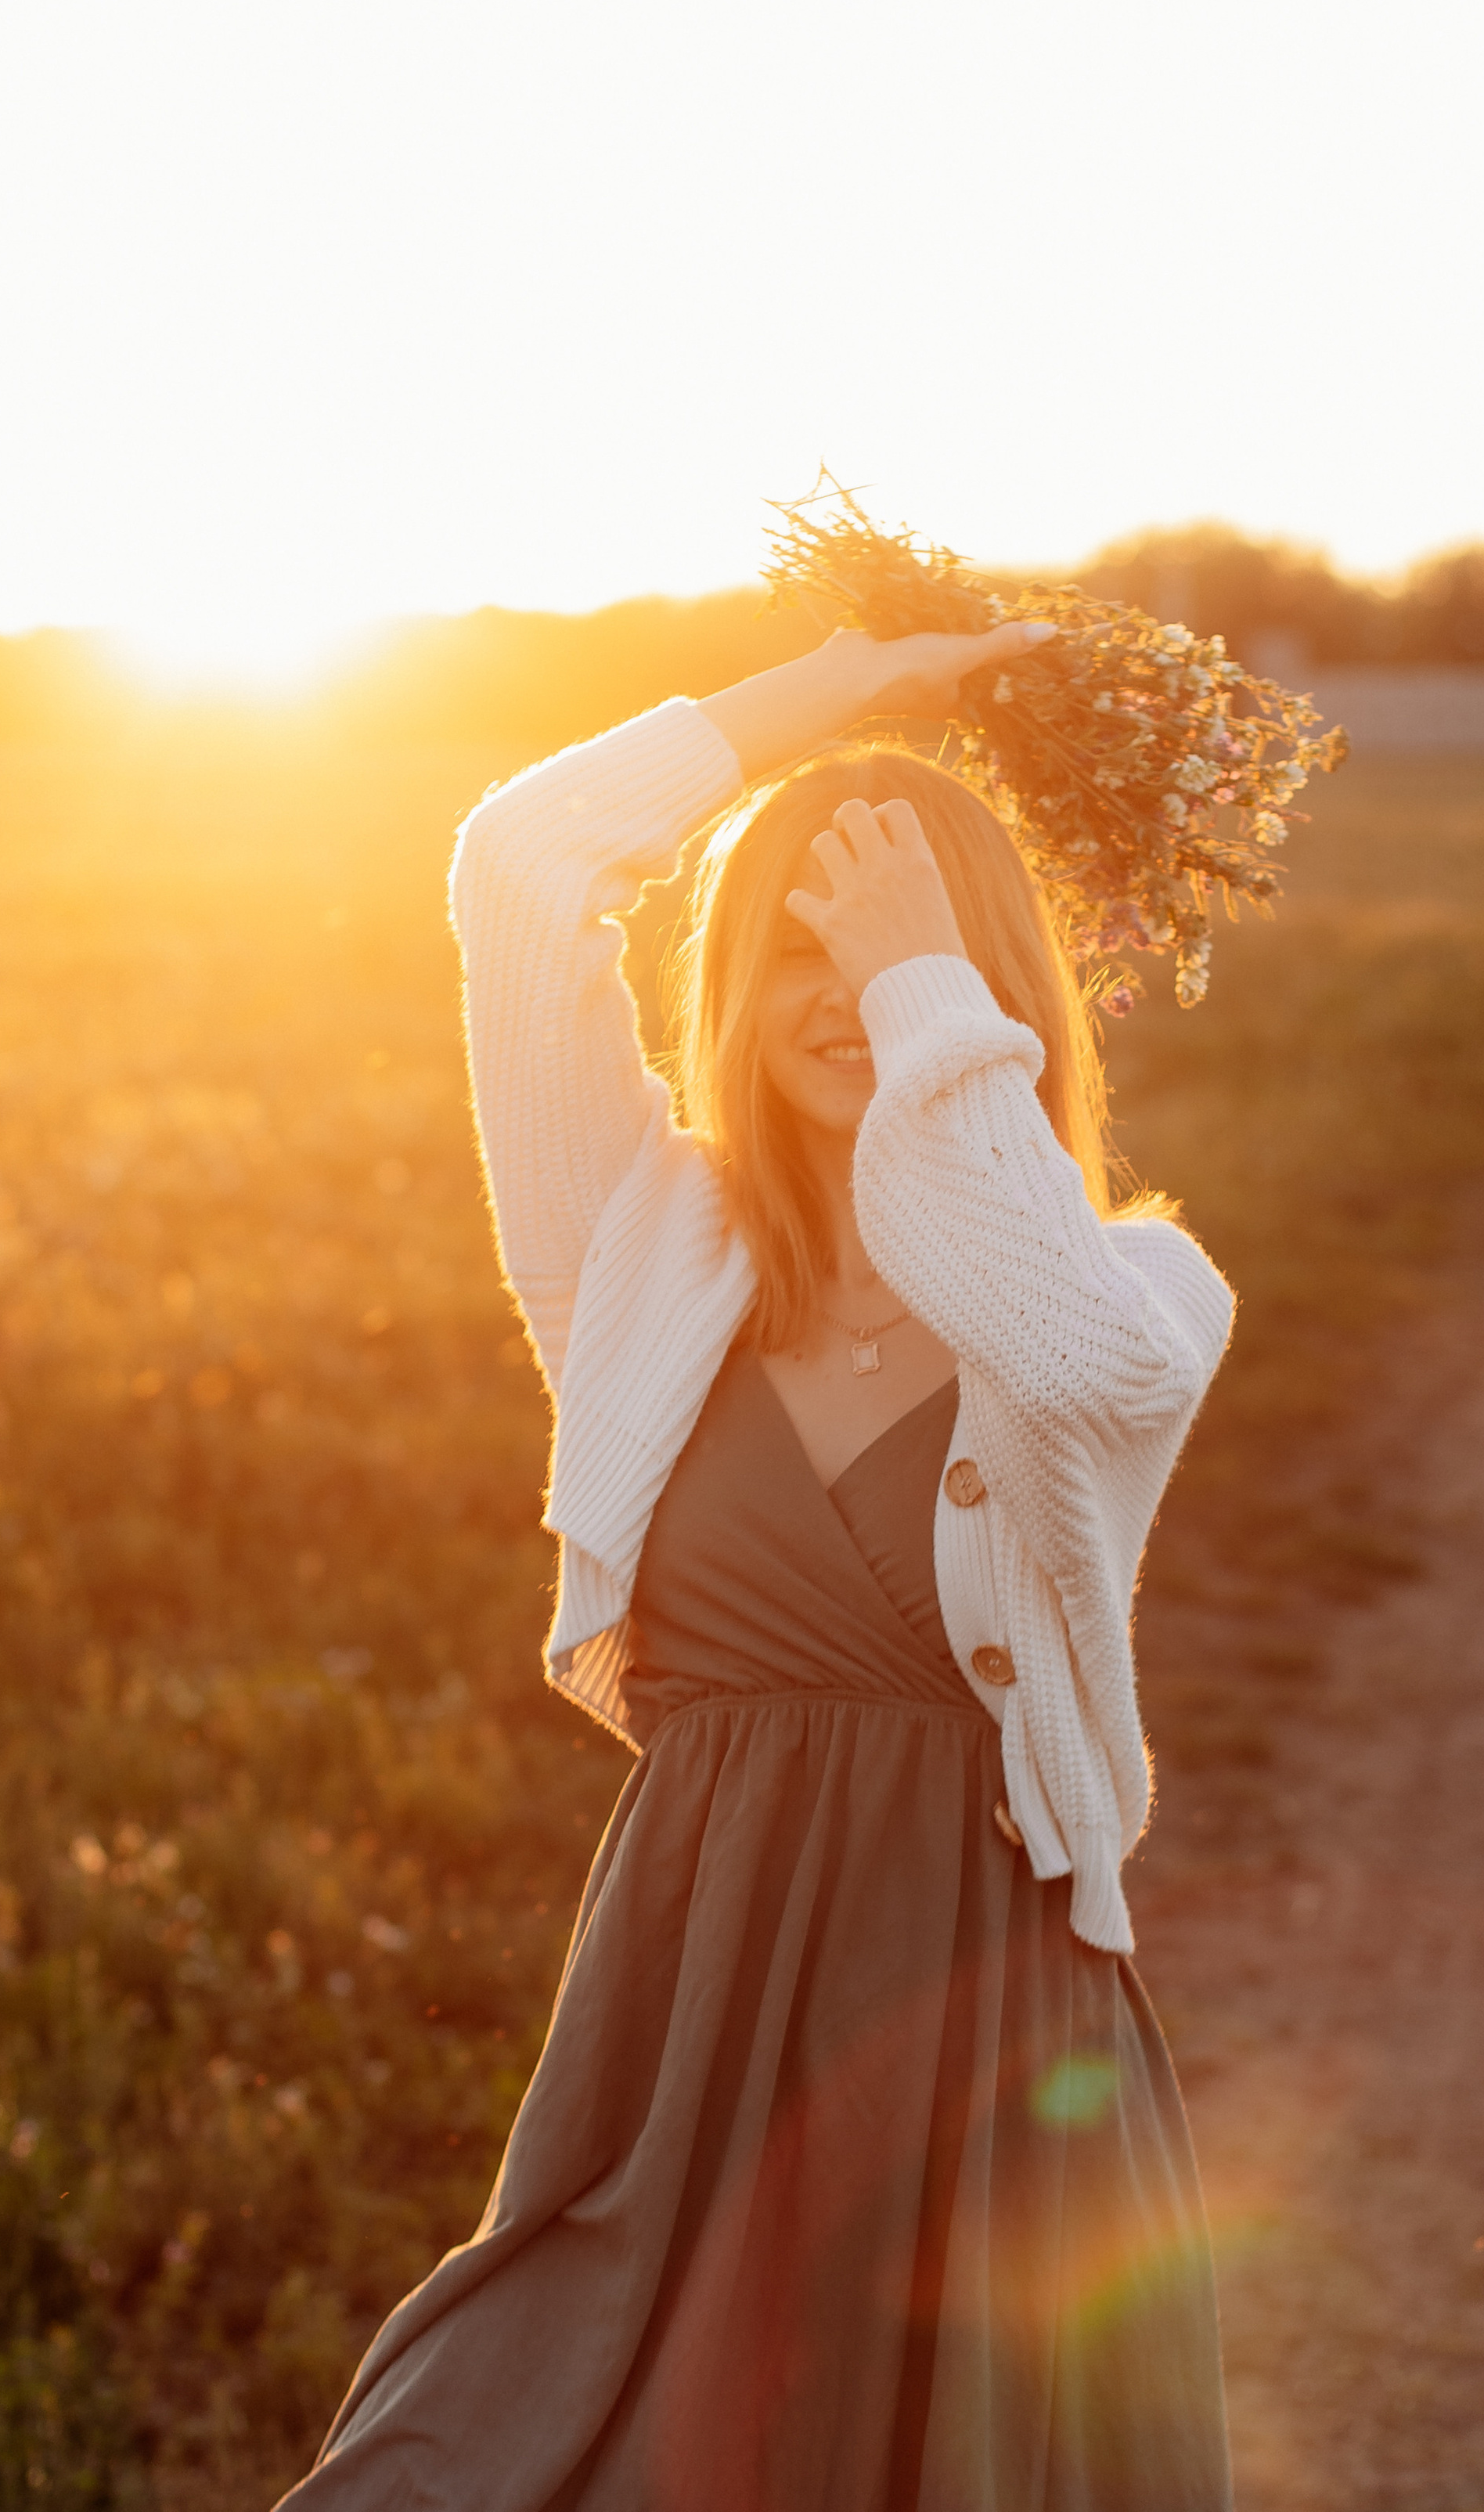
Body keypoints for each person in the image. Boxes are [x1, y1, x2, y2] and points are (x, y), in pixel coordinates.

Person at [280, 622, 1237, 2510]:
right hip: (689, 2007)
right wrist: (844, 691)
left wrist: (917, 999)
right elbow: (520, 866)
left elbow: (1057, 1353)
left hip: (975, 2020)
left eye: (882, 948)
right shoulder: (638, 1257)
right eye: (790, 941)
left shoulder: (1135, 1288)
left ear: (987, 990)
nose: (831, 990)